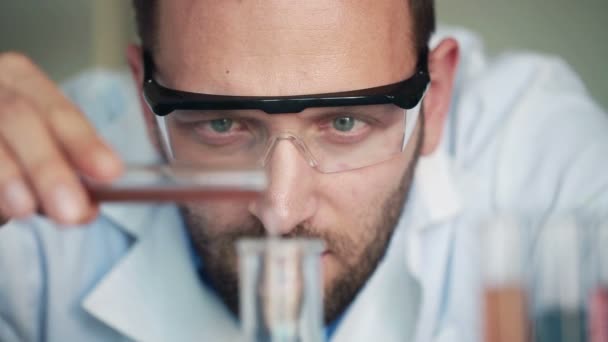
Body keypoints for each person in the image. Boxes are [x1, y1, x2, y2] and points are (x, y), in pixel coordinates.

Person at [0, 1, 606, 341]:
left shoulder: (532, 147)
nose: (281, 211)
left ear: (438, 97)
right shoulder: (34, 192)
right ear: (142, 95)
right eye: (221, 125)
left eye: (345, 123)